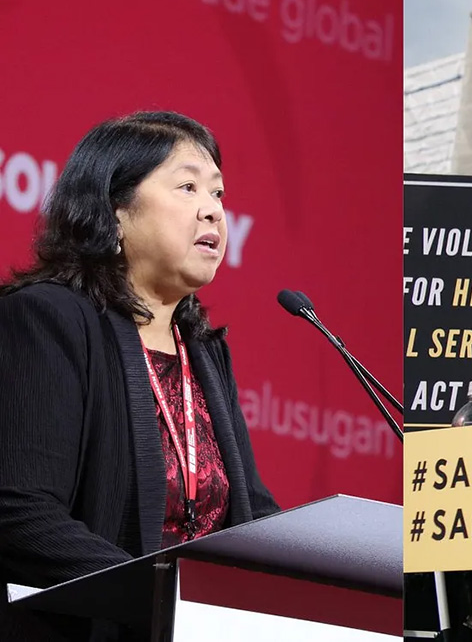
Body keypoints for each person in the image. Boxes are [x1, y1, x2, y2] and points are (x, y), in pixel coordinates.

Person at [0, 112, 280, 641]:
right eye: (189, 186)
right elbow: (20, 511)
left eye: (219, 194)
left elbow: (252, 516)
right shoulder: (48, 319)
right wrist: (167, 597)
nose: (214, 211)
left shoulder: (204, 355)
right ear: (115, 208)